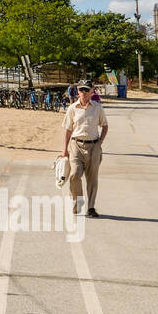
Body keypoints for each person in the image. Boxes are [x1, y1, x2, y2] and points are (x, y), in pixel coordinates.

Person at [61, 80, 108, 218]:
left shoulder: (97, 107)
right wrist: (64, 150)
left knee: (92, 178)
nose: (84, 93)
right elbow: (68, 130)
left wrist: (99, 143)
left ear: (92, 91)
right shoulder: (72, 108)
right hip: (76, 145)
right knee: (75, 174)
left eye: (87, 90)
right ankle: (78, 204)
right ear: (78, 91)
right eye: (81, 90)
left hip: (94, 146)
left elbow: (105, 125)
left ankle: (91, 207)